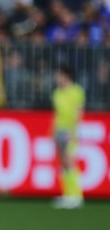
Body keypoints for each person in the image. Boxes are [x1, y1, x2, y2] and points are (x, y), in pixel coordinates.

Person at [50, 64, 85, 209]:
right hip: (60, 129)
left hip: (70, 130)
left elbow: (78, 112)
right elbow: (57, 114)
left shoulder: (76, 91)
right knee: (63, 163)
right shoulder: (57, 93)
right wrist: (53, 131)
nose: (56, 78)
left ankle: (76, 195)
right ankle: (67, 194)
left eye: (58, 75)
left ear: (65, 76)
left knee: (70, 161)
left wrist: (74, 131)